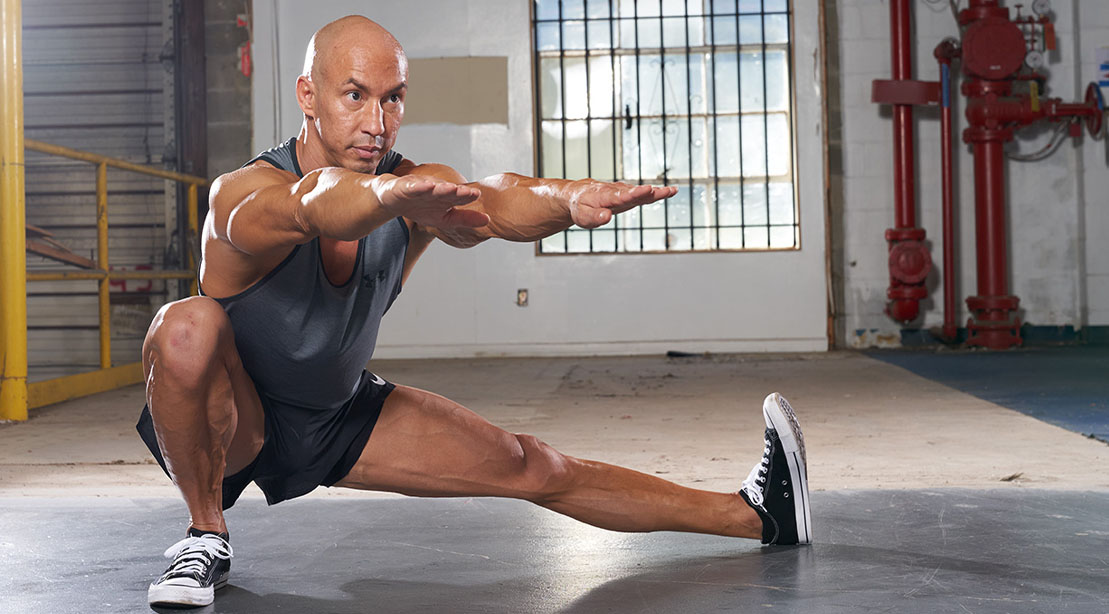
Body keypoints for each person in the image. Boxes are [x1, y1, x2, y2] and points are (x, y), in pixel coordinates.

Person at [137, 15, 812, 608]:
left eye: (393, 98)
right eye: (355, 96)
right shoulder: (245, 194)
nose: (377, 123)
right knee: (185, 327)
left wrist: (566, 198)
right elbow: (315, 203)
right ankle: (205, 536)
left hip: (338, 416)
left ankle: (757, 516)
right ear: (307, 95)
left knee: (533, 465)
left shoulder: (410, 185)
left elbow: (493, 199)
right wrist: (389, 199)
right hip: (237, 423)